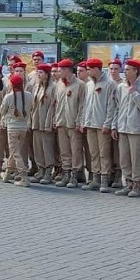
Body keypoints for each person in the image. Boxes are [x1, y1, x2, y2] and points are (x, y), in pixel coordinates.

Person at [111, 59, 140, 198]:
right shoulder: (121, 87)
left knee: (137, 158)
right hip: (122, 127)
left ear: (136, 71)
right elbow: (117, 107)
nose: (125, 72)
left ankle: (137, 185)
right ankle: (127, 183)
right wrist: (114, 126)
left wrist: (135, 94)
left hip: (137, 128)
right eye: (125, 69)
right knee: (124, 158)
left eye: (128, 69)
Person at [80, 58, 117, 193]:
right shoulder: (89, 84)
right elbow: (85, 105)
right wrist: (84, 121)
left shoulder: (109, 84)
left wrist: (107, 124)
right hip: (90, 124)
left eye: (89, 69)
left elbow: (111, 106)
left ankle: (105, 180)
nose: (88, 71)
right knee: (93, 153)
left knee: (104, 153)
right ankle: (95, 179)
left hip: (102, 125)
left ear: (96, 69)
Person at [53, 59, 86, 188]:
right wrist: (56, 119)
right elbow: (56, 104)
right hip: (62, 122)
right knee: (64, 151)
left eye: (60, 70)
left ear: (67, 70)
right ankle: (65, 173)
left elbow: (82, 105)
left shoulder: (80, 84)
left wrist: (79, 121)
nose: (58, 72)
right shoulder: (59, 84)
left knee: (76, 150)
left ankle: (75, 175)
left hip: (73, 123)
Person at [0, 74, 33, 186]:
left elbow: (2, 111)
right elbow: (31, 108)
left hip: (12, 127)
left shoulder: (8, 97)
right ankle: (8, 173)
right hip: (23, 127)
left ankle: (24, 177)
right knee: (14, 152)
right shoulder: (29, 95)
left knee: (15, 152)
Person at [29, 64, 56, 185]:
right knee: (38, 147)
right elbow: (32, 106)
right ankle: (40, 169)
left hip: (46, 121)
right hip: (36, 121)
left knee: (47, 148)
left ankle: (48, 172)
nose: (38, 75)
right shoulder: (36, 87)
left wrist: (50, 122)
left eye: (41, 73)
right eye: (38, 73)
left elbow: (53, 106)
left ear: (47, 74)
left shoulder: (53, 87)